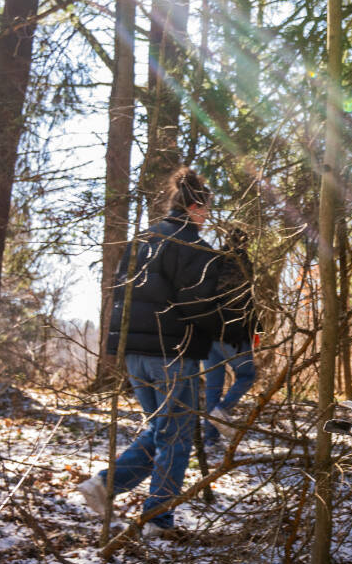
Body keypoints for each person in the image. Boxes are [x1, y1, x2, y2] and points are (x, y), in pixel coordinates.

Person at [77, 167, 240, 532]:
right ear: (196, 206)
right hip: (172, 353)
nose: (208, 216)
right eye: (206, 209)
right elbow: (199, 306)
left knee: (162, 432)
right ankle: (152, 515)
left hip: (134, 354)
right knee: (176, 437)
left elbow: (123, 295)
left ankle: (109, 488)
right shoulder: (192, 246)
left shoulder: (143, 238)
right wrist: (223, 323)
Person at [202, 226, 258, 452]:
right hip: (233, 334)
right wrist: (255, 331)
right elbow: (247, 301)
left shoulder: (212, 261)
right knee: (247, 375)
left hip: (208, 334)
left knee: (212, 388)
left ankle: (210, 440)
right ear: (245, 243)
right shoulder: (244, 263)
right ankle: (222, 413)